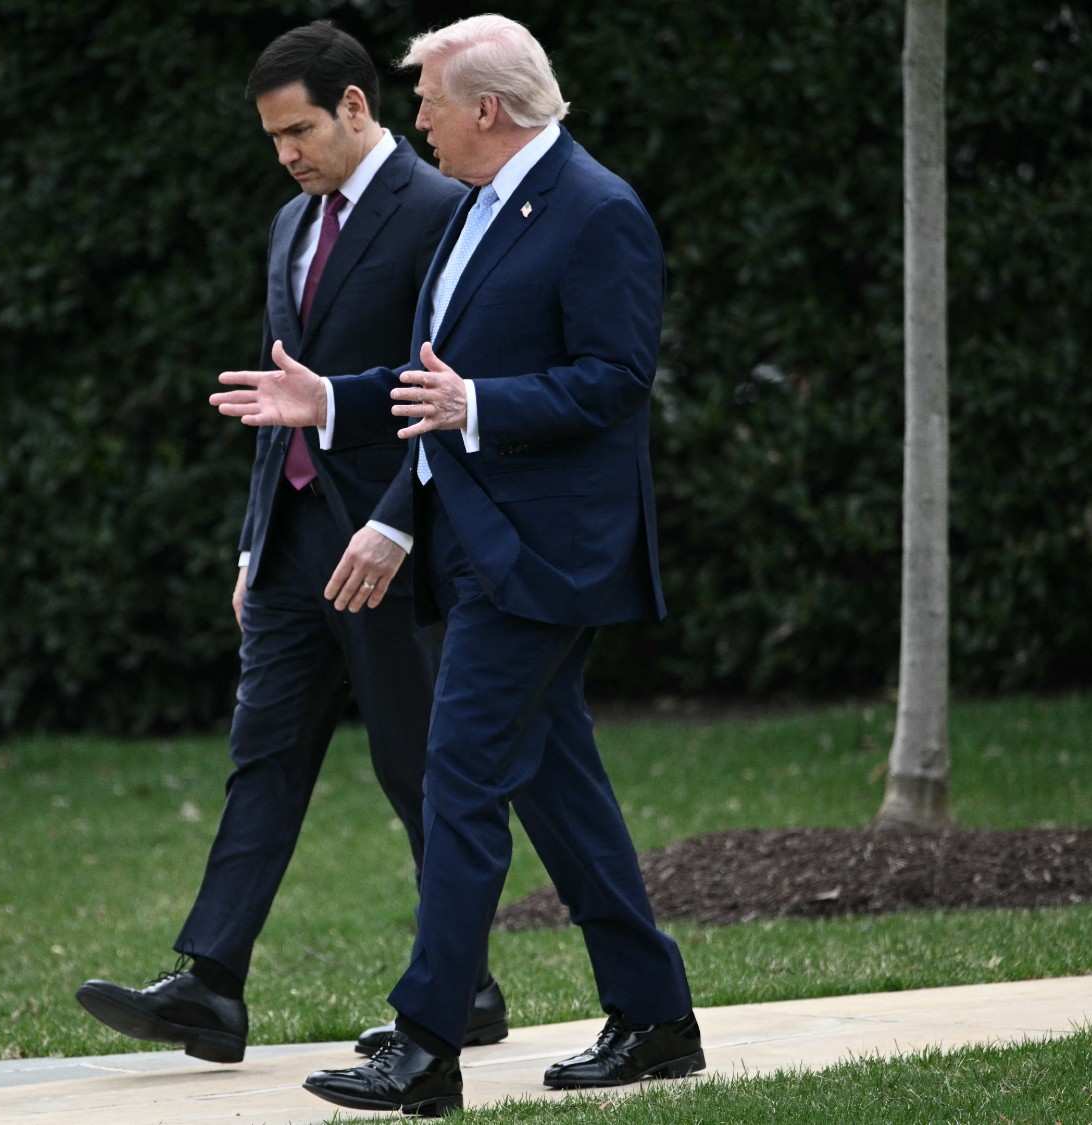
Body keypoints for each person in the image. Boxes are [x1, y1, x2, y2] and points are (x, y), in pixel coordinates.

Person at [210, 13, 701, 1115]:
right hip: (473, 540)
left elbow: (615, 380)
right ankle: (655, 1014)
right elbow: (437, 373)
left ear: (486, 108)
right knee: (551, 780)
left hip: (546, 554)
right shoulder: (480, 206)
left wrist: (478, 405)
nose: (413, 115)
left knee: (460, 773)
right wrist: (330, 398)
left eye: (426, 97)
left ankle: (426, 1043)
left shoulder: (596, 209)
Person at [73, 21, 509, 1065]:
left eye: (301, 129)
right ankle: (209, 986)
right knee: (259, 758)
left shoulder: (444, 215)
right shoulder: (287, 224)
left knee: (419, 770)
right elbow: (283, 395)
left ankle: (468, 987)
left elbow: (440, 393)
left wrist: (399, 519)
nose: (287, 154)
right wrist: (249, 542)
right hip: (287, 547)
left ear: (357, 105)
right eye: (272, 138)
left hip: (391, 544)